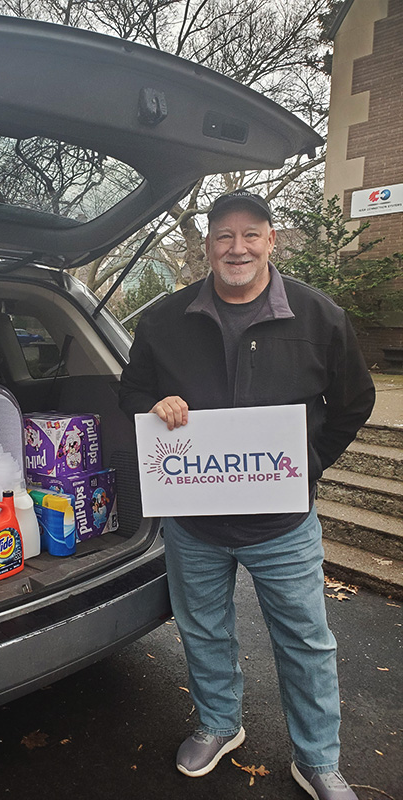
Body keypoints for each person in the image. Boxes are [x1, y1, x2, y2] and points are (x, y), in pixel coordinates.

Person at [119, 190, 375, 800]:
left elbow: (352, 404)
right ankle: (218, 725)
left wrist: (305, 467)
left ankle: (317, 760)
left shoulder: (320, 317)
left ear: (271, 240)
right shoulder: (162, 319)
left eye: (250, 234)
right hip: (195, 522)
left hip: (282, 524)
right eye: (223, 236)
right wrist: (154, 407)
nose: (237, 247)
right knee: (204, 629)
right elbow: (129, 397)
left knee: (306, 641)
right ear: (206, 247)